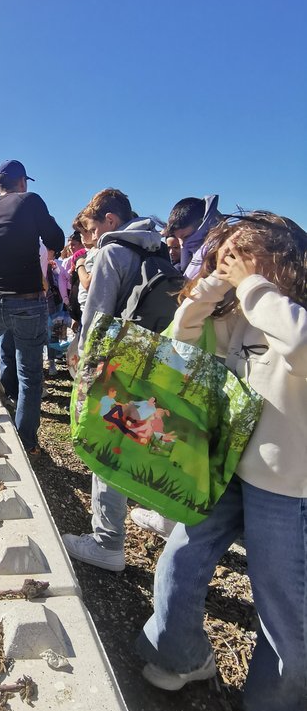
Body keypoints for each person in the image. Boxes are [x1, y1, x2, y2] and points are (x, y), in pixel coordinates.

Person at [135, 212, 307, 711]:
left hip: (289, 487)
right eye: (226, 256)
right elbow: (182, 346)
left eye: (243, 255)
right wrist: (209, 288)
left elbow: (300, 344)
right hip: (231, 470)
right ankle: (177, 653)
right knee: (182, 555)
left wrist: (253, 286)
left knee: (283, 603)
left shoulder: (284, 312)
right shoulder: (244, 317)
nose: (233, 266)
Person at [61, 188, 164, 571]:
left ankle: (108, 543)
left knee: (109, 447)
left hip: (118, 364)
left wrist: (83, 365)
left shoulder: (111, 252)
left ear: (110, 221)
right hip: (154, 359)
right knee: (144, 440)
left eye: (91, 227)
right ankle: (165, 517)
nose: (91, 235)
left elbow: (96, 318)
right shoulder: (158, 249)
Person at [131, 195, 221, 539]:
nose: (181, 245)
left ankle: (175, 519)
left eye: (184, 237)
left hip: (201, 350)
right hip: (208, 347)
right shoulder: (203, 242)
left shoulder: (213, 246)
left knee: (184, 431)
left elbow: (192, 303)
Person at [0, 160, 64, 454]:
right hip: (29, 299)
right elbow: (56, 238)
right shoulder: (30, 201)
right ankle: (27, 441)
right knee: (29, 372)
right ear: (22, 183)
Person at [166, 194, 222, 279]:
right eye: (180, 239)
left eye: (186, 236)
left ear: (202, 225)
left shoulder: (223, 250)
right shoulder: (195, 252)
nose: (184, 245)